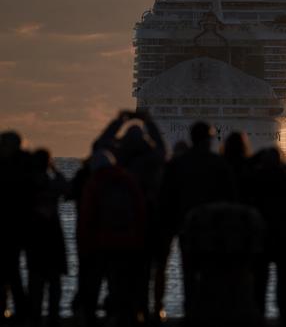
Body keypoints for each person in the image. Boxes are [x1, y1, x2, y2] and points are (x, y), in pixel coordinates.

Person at [158, 121, 238, 322]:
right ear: (209, 139)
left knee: (188, 270)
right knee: (212, 271)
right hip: (213, 227)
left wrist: (170, 225)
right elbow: (231, 197)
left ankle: (190, 311)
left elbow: (166, 196)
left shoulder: (177, 164)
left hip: (186, 227)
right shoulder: (219, 163)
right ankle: (211, 312)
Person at [78, 149, 147, 327]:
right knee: (122, 283)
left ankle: (91, 316)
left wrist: (85, 242)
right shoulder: (128, 179)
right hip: (127, 240)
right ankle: (124, 316)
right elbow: (140, 209)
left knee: (95, 282)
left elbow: (87, 214)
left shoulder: (94, 182)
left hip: (101, 241)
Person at [248, 148, 286, 326]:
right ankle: (284, 312)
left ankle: (258, 311)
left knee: (260, 277)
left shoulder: (255, 177)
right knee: (283, 276)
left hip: (261, 233)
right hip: (282, 234)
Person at [26, 149, 69, 327]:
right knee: (54, 282)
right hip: (53, 238)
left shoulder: (28, 185)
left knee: (35, 281)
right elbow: (67, 187)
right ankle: (53, 316)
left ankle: (34, 315)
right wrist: (55, 169)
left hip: (35, 239)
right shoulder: (53, 184)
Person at [0, 131, 31, 321]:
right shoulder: (25, 166)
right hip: (20, 229)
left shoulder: (6, 167)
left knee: (9, 273)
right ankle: (22, 312)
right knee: (14, 274)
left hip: (8, 229)